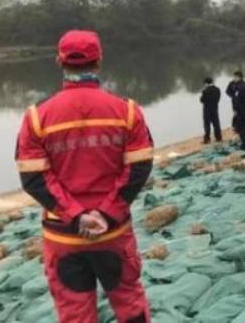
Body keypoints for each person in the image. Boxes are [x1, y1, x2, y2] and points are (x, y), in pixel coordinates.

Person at [15, 30, 153, 323]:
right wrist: (105, 214)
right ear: (99, 61)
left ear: (59, 61)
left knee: (74, 313)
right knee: (129, 303)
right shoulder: (127, 112)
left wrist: (77, 217)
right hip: (113, 233)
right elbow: (138, 169)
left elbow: (34, 179)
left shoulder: (36, 117)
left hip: (64, 237)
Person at [232, 78, 245, 150]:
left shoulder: (239, 88)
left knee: (242, 129)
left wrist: (235, 110)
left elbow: (237, 101)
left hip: (241, 112)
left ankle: (244, 145)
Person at [200, 77, 222, 144]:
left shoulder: (205, 91)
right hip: (215, 108)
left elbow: (202, 100)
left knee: (207, 124)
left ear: (206, 83)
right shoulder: (217, 89)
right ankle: (218, 137)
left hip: (207, 109)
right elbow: (218, 98)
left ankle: (207, 139)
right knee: (216, 123)